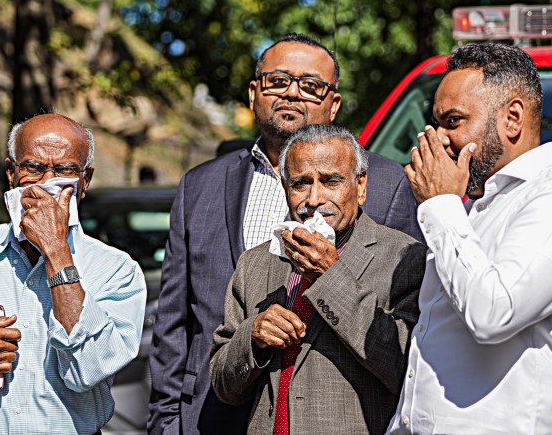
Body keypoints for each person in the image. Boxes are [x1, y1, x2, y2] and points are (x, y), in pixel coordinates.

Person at [148, 33, 423, 435]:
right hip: (211, 417)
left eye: (310, 86)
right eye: (277, 81)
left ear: (334, 104)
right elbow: (174, 322)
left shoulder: (389, 183)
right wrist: (166, 422)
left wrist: (331, 276)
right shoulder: (201, 187)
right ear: (253, 92)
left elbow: (404, 346)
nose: (292, 93)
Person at [390, 43, 552, 434]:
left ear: (512, 118)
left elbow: (494, 313)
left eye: (453, 121)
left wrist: (441, 204)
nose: (438, 139)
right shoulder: (469, 209)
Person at [0, 113, 147, 435]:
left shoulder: (116, 270)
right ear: (11, 173)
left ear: (84, 181)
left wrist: (56, 250)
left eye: (65, 170)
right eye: (33, 168)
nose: (47, 182)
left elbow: (87, 371)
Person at [210, 124, 426, 434]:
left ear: (361, 186)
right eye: (301, 184)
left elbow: (405, 369)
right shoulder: (255, 264)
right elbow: (223, 385)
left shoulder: (403, 259)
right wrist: (253, 338)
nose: (314, 198)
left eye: (331, 181)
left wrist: (331, 275)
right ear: (286, 188)